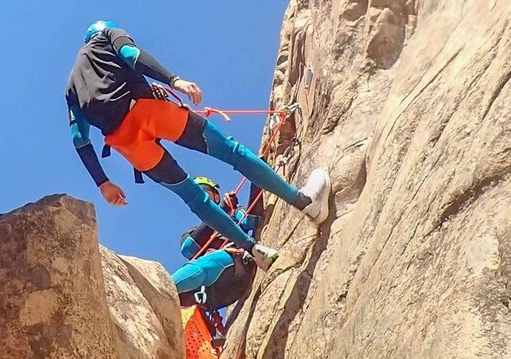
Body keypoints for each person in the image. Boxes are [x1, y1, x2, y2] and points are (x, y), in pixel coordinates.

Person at [66, 20, 331, 268]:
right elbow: (131, 54)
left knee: (194, 197)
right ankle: (306, 202)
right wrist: (174, 80)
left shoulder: (71, 87)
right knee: (232, 152)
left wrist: (103, 183)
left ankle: (252, 250)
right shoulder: (106, 36)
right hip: (148, 112)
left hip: (127, 144)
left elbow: (80, 138)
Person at [172, 177, 259, 310]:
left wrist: (256, 180)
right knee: (184, 292)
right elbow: (189, 248)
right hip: (210, 294)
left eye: (205, 191)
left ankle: (162, 288)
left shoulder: (234, 215)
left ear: (216, 197)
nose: (202, 196)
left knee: (205, 265)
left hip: (236, 269)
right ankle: (166, 292)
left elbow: (250, 220)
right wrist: (221, 210)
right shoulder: (192, 232)